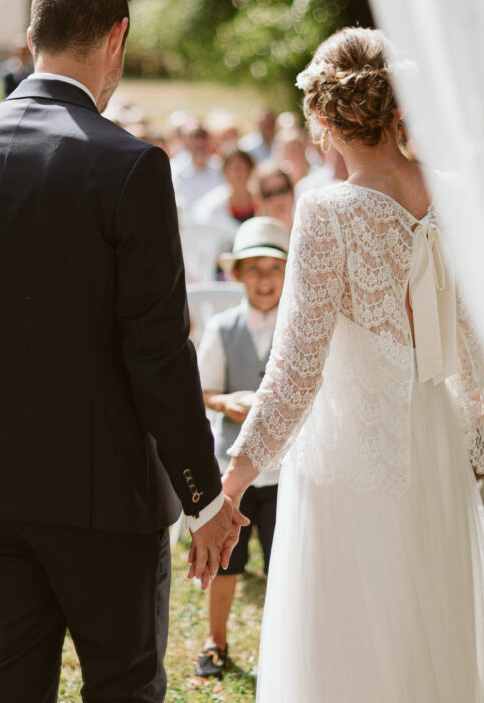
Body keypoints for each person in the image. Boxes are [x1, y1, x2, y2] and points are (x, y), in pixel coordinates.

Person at [0, 0, 247, 703]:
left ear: (33, 36)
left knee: (11, 682)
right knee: (124, 685)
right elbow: (158, 351)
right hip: (105, 497)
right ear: (116, 37)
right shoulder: (129, 167)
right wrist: (205, 496)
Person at [221, 27, 484, 701]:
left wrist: (235, 475)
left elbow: (296, 369)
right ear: (393, 107)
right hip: (435, 436)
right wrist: (474, 424)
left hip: (352, 454)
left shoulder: (326, 210)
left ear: (323, 123)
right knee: (435, 627)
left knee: (354, 636)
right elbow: (471, 332)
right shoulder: (450, 191)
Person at [193, 217, 288, 679]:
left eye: (274, 268)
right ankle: (216, 638)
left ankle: (285, 646)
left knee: (284, 560)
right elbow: (203, 390)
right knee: (226, 560)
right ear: (238, 274)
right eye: (254, 269)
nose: (265, 279)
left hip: (288, 468)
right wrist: (224, 401)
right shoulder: (224, 327)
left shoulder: (299, 325)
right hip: (234, 468)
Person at [193, 148, 256, 232]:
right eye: (234, 168)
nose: (238, 173)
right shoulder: (213, 205)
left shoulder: (262, 198)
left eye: (242, 167)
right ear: (225, 172)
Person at [251, 161, 295, 231]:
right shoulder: (255, 237)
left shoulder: (309, 229)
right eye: (269, 194)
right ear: (258, 201)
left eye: (283, 190)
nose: (278, 199)